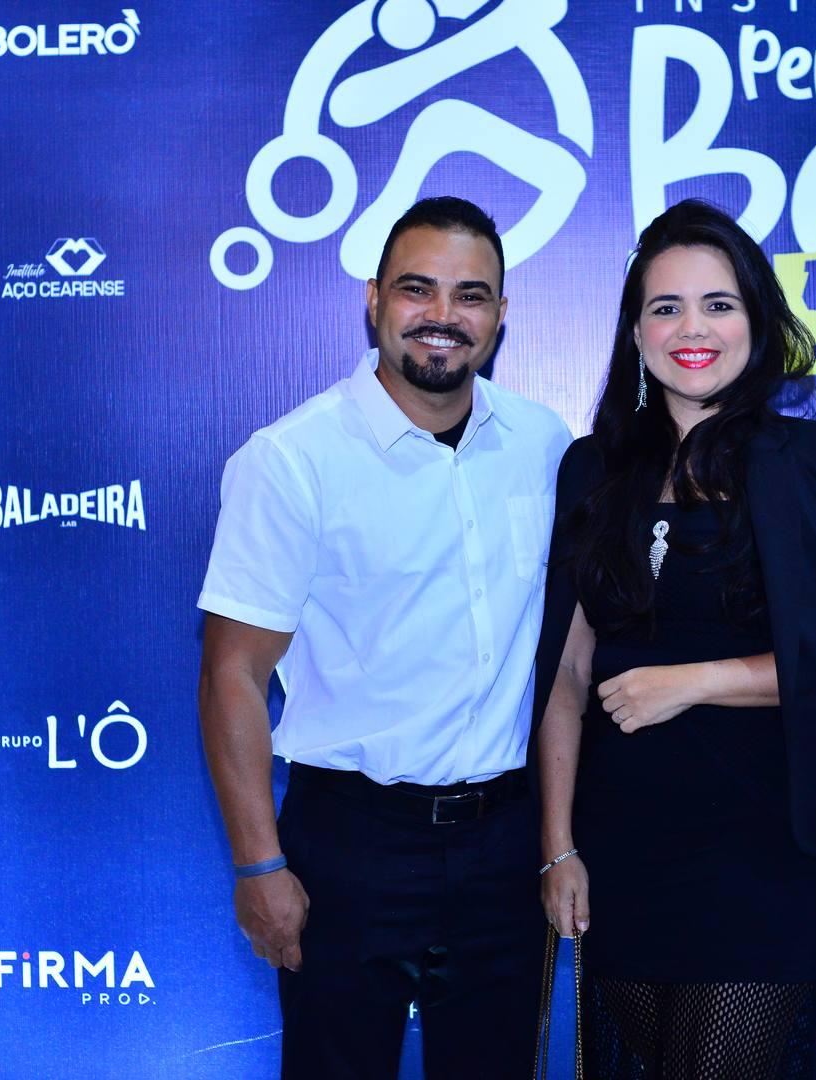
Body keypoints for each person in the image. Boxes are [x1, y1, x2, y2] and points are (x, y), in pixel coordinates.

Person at [534, 200, 816, 1078]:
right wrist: (557, 845)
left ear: (757, 320)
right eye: (665, 307)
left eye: (718, 304)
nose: (692, 329)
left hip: (761, 842)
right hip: (620, 838)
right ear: (633, 332)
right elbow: (564, 671)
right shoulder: (590, 469)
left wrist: (694, 680)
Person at [197, 196, 572, 1079]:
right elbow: (232, 675)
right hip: (351, 843)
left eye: (470, 295)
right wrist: (258, 864)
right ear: (373, 300)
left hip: (505, 841)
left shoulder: (544, 443)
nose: (443, 315)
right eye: (417, 289)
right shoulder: (291, 460)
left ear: (502, 314)